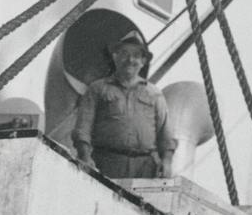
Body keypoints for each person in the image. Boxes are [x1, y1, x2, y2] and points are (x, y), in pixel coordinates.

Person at [72, 30, 176, 179]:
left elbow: (165, 135)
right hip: (105, 163)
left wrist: (167, 162)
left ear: (143, 62)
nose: (130, 59)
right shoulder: (97, 89)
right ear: (115, 57)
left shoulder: (155, 94)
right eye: (124, 53)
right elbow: (83, 128)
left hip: (145, 169)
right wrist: (85, 156)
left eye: (136, 56)